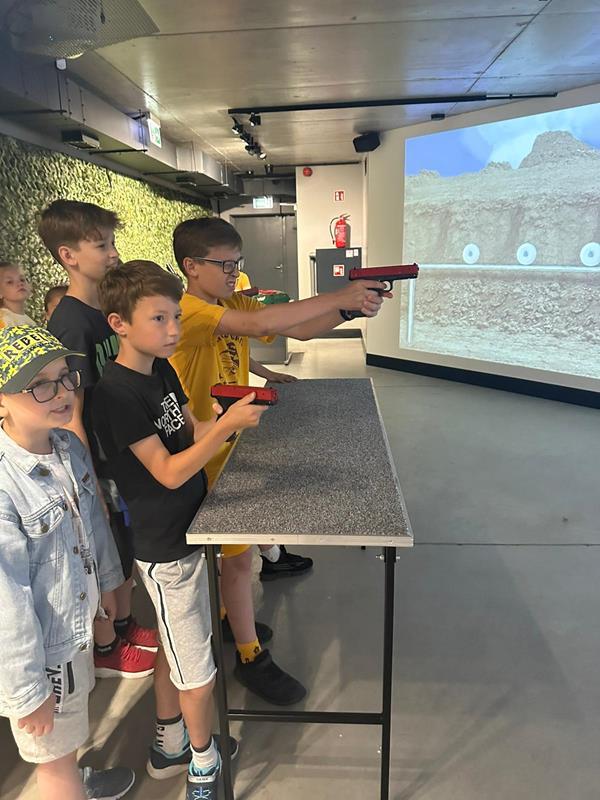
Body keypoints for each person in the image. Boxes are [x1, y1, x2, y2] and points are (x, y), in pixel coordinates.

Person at [170, 217, 390, 701]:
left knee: (237, 557)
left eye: (237, 264)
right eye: (225, 265)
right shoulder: (188, 311)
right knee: (237, 564)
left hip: (228, 441)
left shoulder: (229, 302)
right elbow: (263, 324)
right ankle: (250, 656)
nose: (234, 274)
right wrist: (341, 294)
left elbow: (299, 328)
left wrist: (348, 309)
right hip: (205, 449)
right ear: (191, 266)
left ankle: (229, 619)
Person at [92, 260, 265, 797]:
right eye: (159, 319)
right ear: (119, 324)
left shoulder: (161, 370)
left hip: (191, 529)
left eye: (175, 317)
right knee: (199, 672)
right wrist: (226, 427)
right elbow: (167, 471)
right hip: (166, 548)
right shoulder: (115, 395)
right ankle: (202, 764)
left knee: (177, 647)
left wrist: (229, 419)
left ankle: (169, 745)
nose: (173, 330)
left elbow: (191, 431)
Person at [0, 325, 135, 800]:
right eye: (39, 385)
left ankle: (73, 780)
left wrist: (107, 593)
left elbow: (89, 528)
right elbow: (6, 603)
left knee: (67, 738)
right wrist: (26, 692)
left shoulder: (67, 446)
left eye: (64, 377)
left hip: (72, 632)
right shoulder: (5, 485)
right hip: (41, 655)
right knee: (53, 762)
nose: (61, 392)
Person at [39, 200, 158, 679]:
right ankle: (106, 644)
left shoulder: (103, 309)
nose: (113, 253)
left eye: (112, 243)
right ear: (68, 255)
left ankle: (124, 623)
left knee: (121, 548)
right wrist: (87, 482)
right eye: (101, 245)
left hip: (116, 454)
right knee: (102, 551)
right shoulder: (70, 322)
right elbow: (71, 412)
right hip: (95, 464)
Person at [0, 260, 37, 327]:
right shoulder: (3, 320)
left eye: (22, 280)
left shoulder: (30, 322)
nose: (20, 284)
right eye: (10, 282)